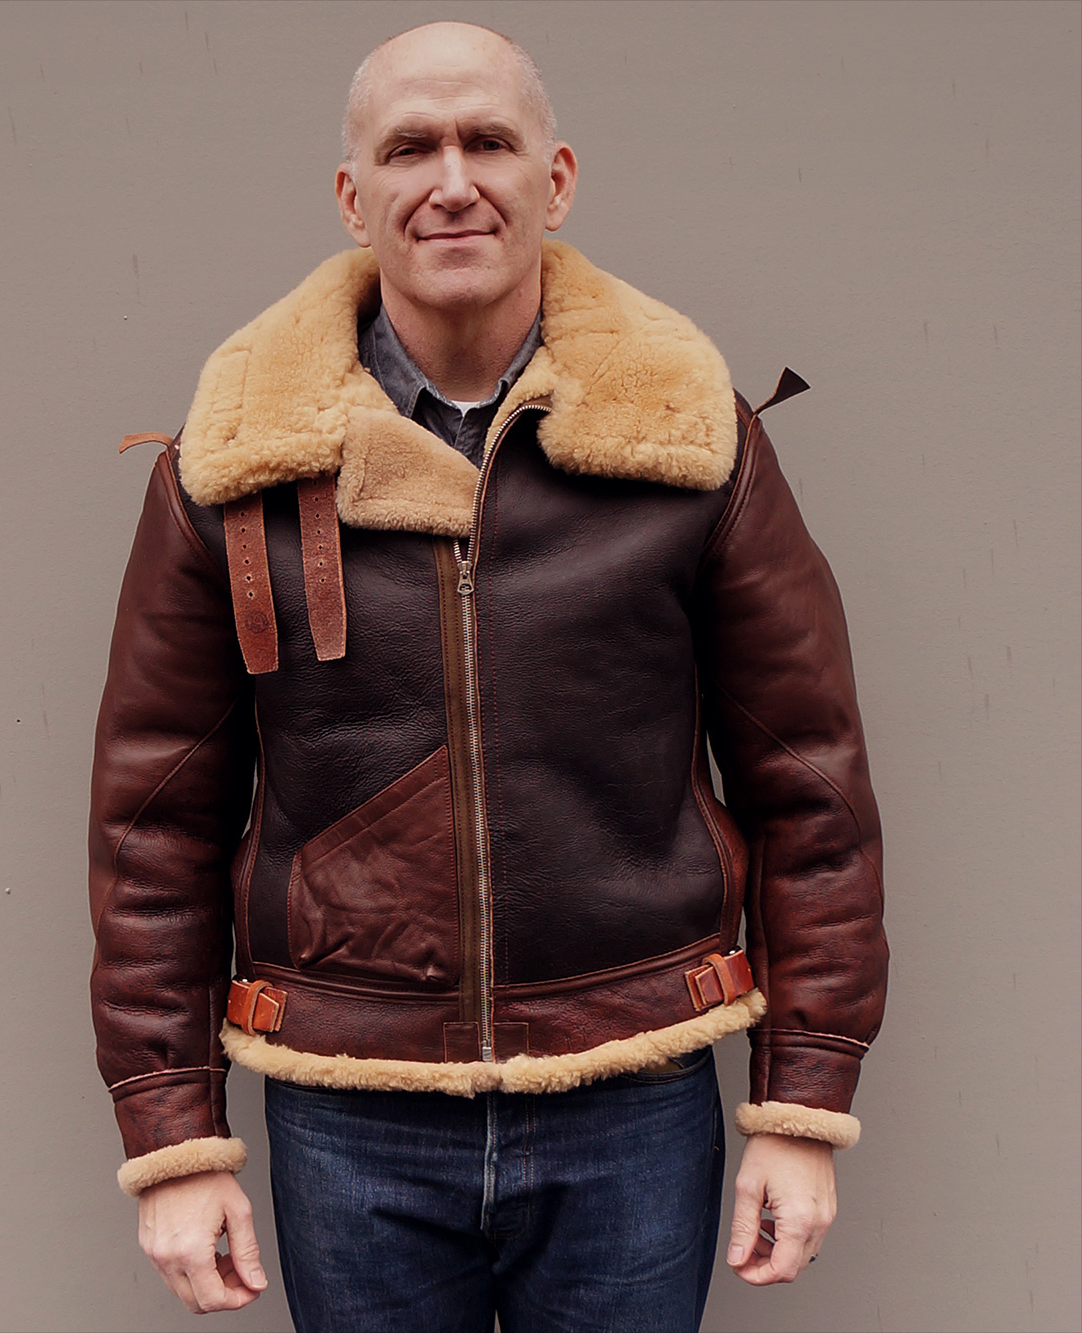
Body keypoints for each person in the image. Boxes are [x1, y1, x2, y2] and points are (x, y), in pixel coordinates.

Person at [89, 21, 887, 1332]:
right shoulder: (235, 464)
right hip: (348, 1104)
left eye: (489, 143)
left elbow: (815, 792)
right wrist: (174, 1136)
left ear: (554, 179)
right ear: (353, 197)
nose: (452, 181)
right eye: (411, 148)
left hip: (634, 1094)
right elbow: (153, 830)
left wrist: (803, 1105)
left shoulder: (690, 440)